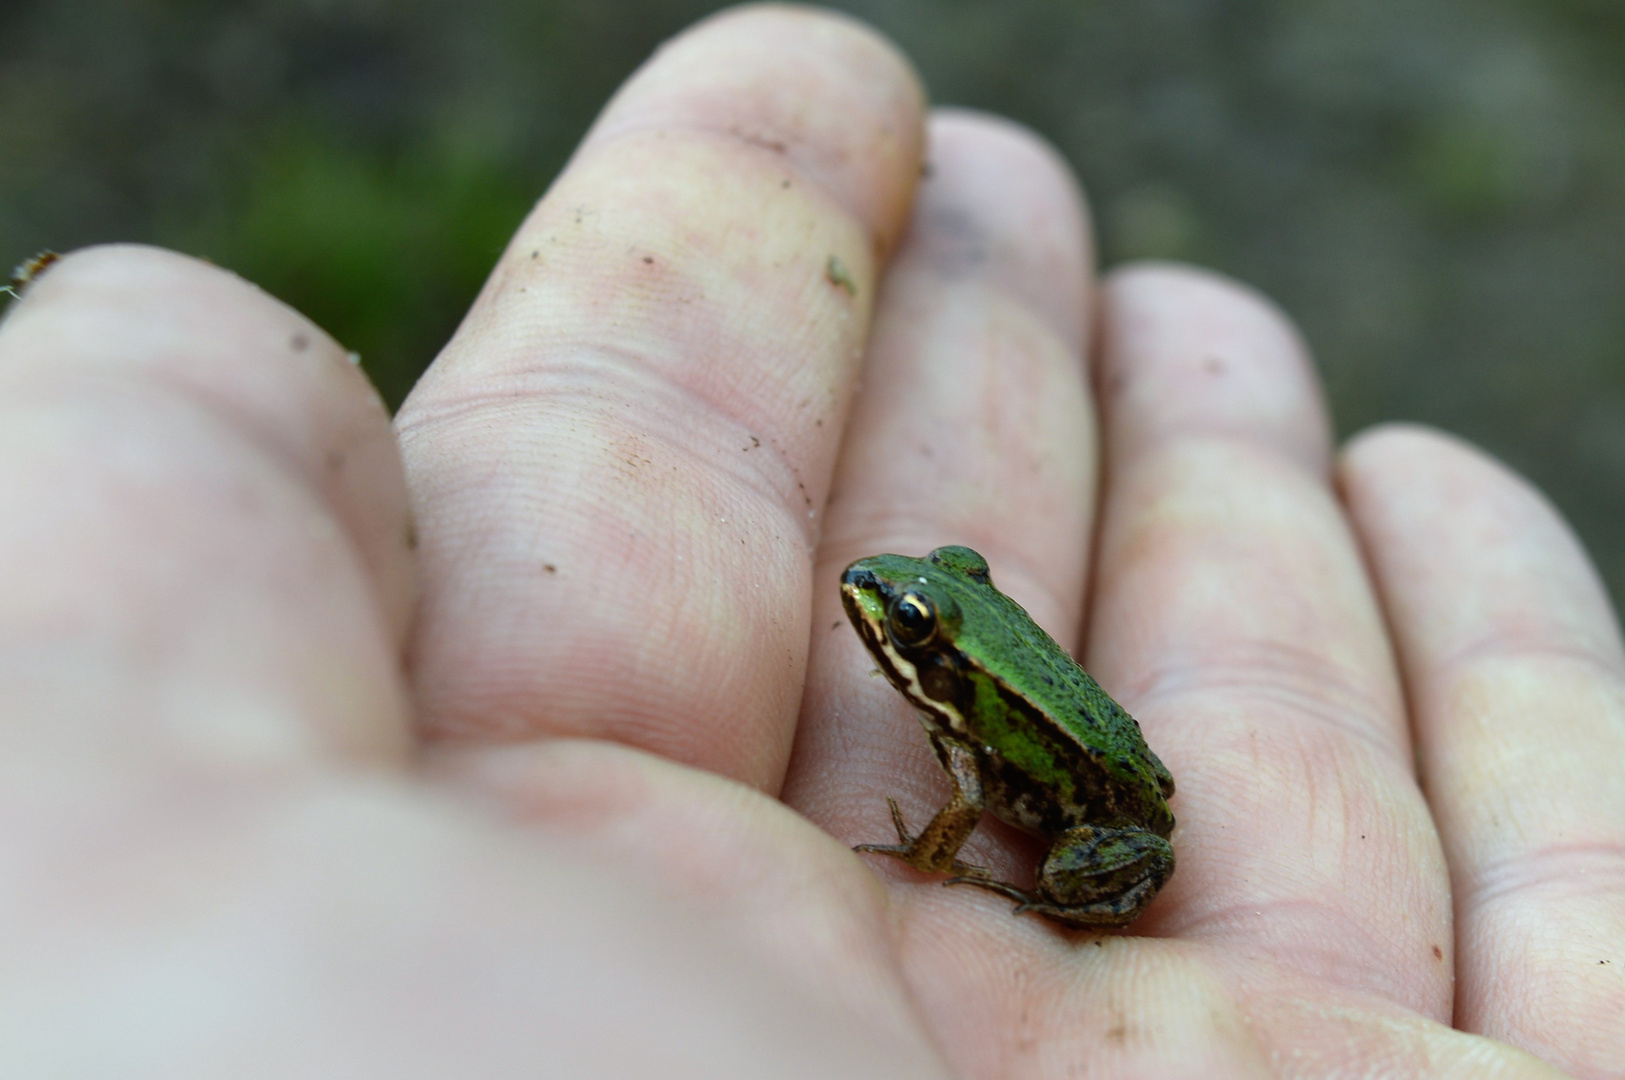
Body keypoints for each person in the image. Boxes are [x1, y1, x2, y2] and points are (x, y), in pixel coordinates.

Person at [0, 6, 1618, 1077]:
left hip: (1100, 807)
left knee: (1070, 854)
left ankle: (1057, 909)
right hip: (1076, 758)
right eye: (926, 621)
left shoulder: (981, 747)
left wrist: (956, 875)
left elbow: (991, 799)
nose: (895, 620)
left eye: (923, 632)